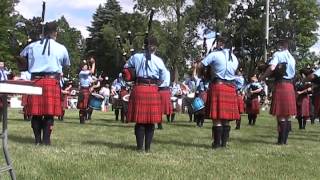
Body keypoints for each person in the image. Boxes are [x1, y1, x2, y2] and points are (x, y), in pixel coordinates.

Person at [20, 21, 70, 145]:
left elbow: (21, 58)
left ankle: (37, 140)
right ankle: (46, 141)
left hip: (35, 81)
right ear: (55, 33)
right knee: (49, 114)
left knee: (36, 113)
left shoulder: (31, 46)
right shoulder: (61, 47)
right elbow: (66, 64)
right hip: (52, 82)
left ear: (43, 33)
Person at [195, 36, 240, 149]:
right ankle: (224, 144)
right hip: (230, 87)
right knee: (226, 119)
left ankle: (216, 144)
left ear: (221, 44)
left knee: (217, 118)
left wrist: (201, 74)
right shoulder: (234, 58)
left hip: (218, 86)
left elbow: (200, 65)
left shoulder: (214, 54)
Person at [124, 36, 167, 152]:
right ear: (155, 47)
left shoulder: (136, 57)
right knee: (150, 121)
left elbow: (126, 69)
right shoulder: (159, 61)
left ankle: (139, 148)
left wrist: (133, 75)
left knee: (140, 120)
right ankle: (147, 148)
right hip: (152, 89)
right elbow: (163, 77)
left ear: (144, 46)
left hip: (139, 88)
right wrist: (156, 84)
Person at [260, 39, 296, 145]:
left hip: (281, 84)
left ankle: (280, 141)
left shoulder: (278, 54)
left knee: (280, 115)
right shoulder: (292, 58)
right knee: (286, 115)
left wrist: (263, 76)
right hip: (290, 85)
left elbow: (272, 67)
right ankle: (284, 141)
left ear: (281, 46)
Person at [77, 58, 96, 124]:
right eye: (85, 66)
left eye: (86, 66)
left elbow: (91, 81)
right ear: (82, 67)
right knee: (82, 106)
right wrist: (93, 63)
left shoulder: (87, 76)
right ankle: (81, 120)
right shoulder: (82, 73)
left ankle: (84, 119)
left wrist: (98, 80)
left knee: (86, 106)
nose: (86, 67)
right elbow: (92, 72)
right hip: (83, 90)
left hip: (87, 90)